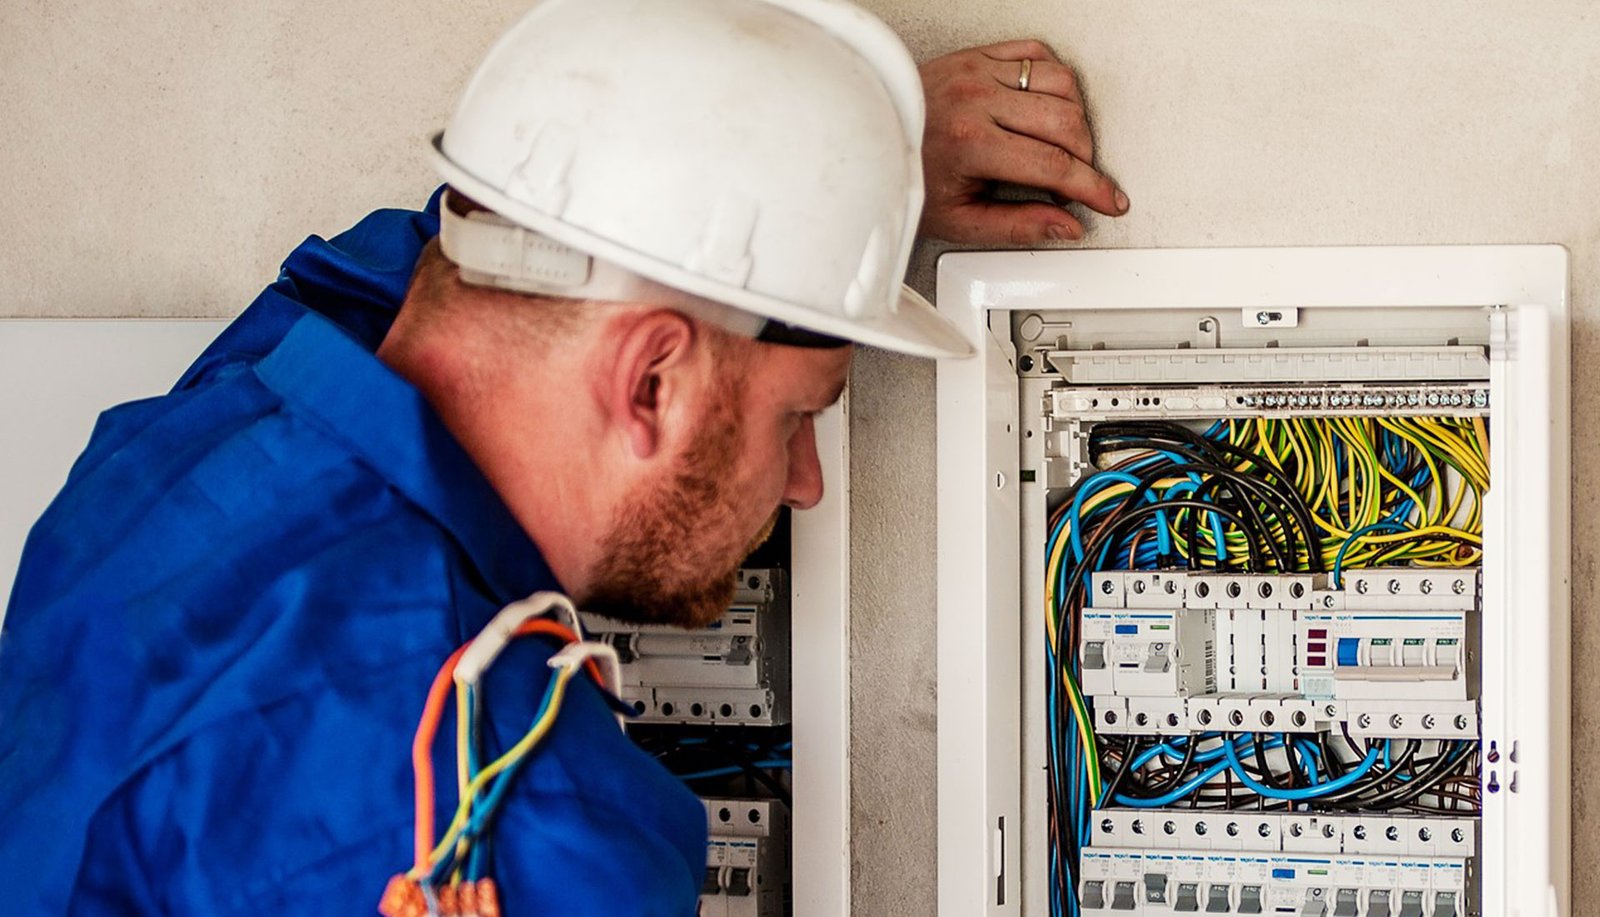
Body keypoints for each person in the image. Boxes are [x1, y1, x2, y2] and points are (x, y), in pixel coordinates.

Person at [0, 0, 1126, 913]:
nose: (805, 483)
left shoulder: (173, 458)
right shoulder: (534, 834)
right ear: (649, 380)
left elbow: (445, 256)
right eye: (802, 414)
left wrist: (836, 170)